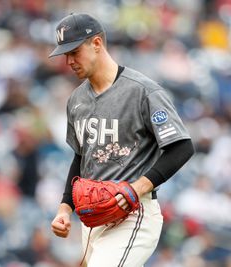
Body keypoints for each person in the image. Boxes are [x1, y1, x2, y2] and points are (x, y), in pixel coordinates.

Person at [49, 13, 195, 267]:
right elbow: (80, 158)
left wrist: (136, 189)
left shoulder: (142, 91)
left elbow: (182, 147)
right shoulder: (76, 100)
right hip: (92, 218)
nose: (69, 61)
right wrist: (64, 208)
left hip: (133, 214)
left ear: (96, 43)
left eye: (74, 51)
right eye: (65, 54)